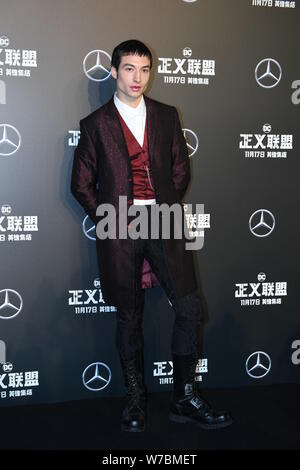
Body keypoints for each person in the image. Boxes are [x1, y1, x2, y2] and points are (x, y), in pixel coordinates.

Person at [71, 39, 232, 432]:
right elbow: (81, 184)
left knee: (190, 308)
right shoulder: (95, 125)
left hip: (164, 223)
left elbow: (180, 170)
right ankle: (135, 401)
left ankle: (184, 397)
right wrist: (110, 217)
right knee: (129, 317)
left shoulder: (165, 115)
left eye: (144, 69)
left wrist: (163, 209)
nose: (137, 77)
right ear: (114, 72)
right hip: (118, 227)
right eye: (129, 69)